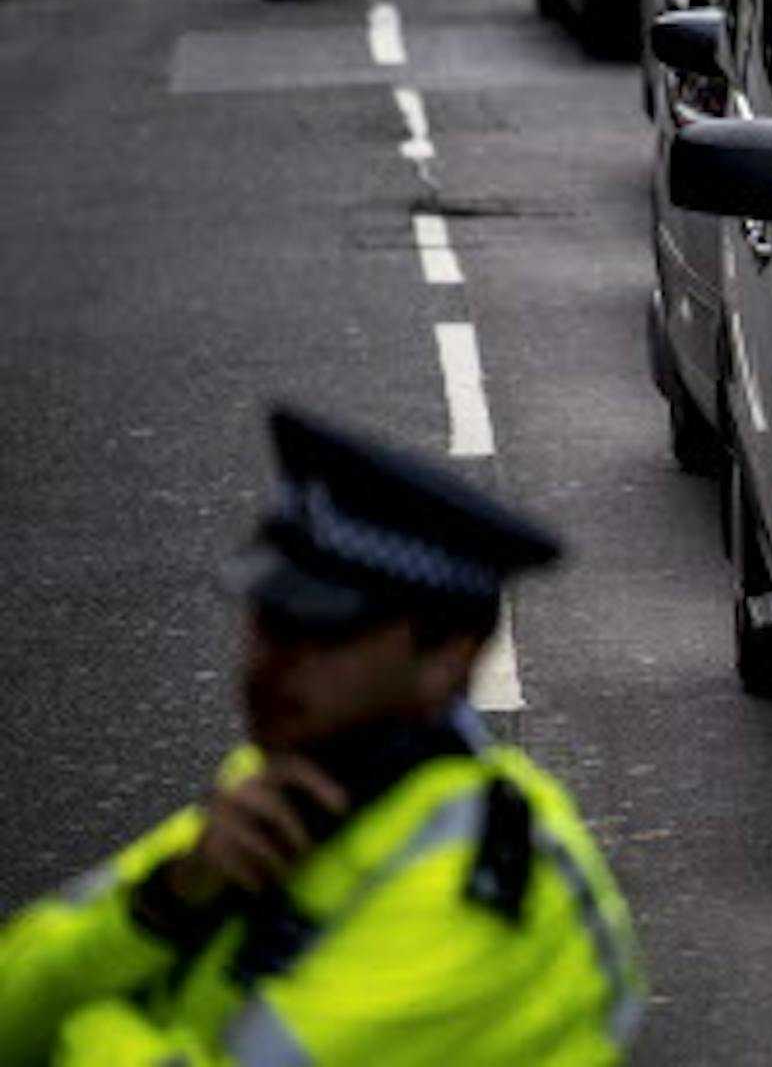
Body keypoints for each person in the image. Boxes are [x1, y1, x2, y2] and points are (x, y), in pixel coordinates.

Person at [0, 405, 645, 1064]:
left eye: (326, 631)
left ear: (448, 657)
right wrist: (165, 900)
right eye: (270, 616)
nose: (272, 659)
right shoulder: (286, 782)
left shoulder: (474, 890)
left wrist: (83, 1019)